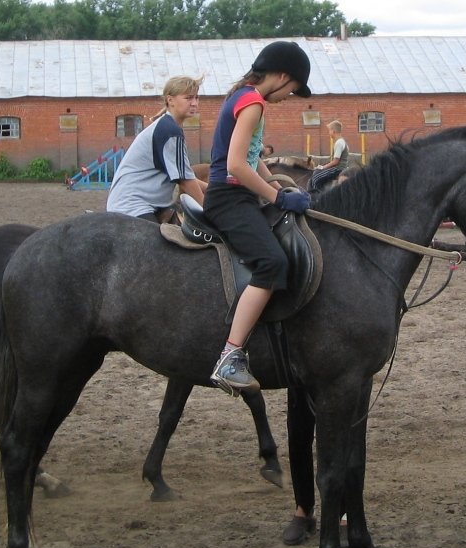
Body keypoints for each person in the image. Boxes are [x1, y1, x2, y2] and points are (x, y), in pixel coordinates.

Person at [204, 41, 312, 396]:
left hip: (240, 194)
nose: (290, 96)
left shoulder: (245, 97)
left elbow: (250, 158)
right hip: (228, 199)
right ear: (281, 76)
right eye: (292, 89)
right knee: (271, 263)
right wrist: (276, 196)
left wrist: (277, 182)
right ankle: (230, 355)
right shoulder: (252, 103)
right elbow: (235, 166)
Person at [106, 75, 206, 223]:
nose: (194, 103)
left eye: (196, 98)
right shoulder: (169, 130)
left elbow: (186, 176)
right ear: (170, 100)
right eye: (188, 98)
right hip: (133, 206)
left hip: (147, 203)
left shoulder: (167, 125)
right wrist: (209, 213)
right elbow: (185, 181)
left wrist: (213, 188)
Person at [308, 120, 349, 193]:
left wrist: (323, 167)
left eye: (329, 131)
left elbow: (336, 161)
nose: (329, 133)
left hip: (338, 168)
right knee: (316, 171)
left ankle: (316, 198)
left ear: (333, 131)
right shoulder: (341, 141)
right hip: (338, 167)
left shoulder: (339, 143)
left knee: (315, 178)